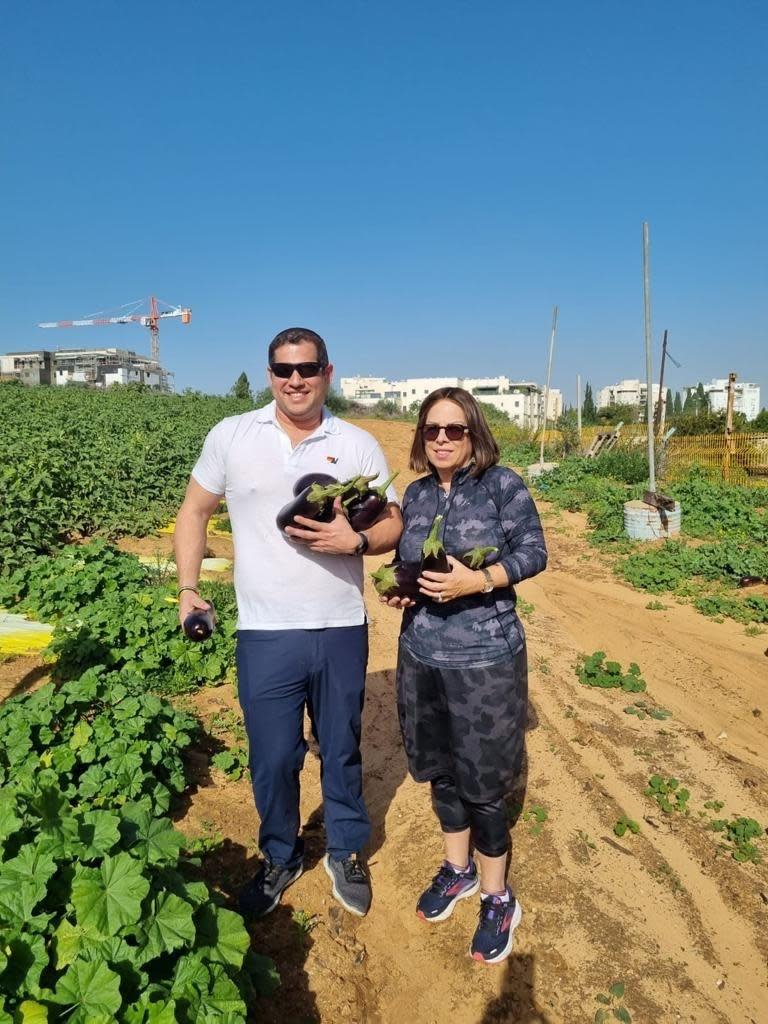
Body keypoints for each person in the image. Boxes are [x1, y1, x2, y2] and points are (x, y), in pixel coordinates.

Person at [174, 328, 402, 919]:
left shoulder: (356, 443)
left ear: (328, 372)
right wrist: (189, 589)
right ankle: (280, 852)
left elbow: (394, 521)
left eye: (306, 368)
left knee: (341, 747)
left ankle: (347, 849)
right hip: (264, 631)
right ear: (269, 373)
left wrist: (358, 537)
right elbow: (194, 511)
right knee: (273, 756)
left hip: (339, 625)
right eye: (282, 369)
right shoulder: (232, 435)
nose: (294, 380)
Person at [382, 387, 547, 964]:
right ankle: (458, 870)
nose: (444, 438)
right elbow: (409, 560)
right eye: (433, 429)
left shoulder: (502, 485)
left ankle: (498, 895)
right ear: (422, 436)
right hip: (422, 656)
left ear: (474, 433)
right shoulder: (417, 493)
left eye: (455, 429)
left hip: (486, 660)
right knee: (439, 771)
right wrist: (401, 589)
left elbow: (534, 551)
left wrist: (480, 581)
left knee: (482, 782)